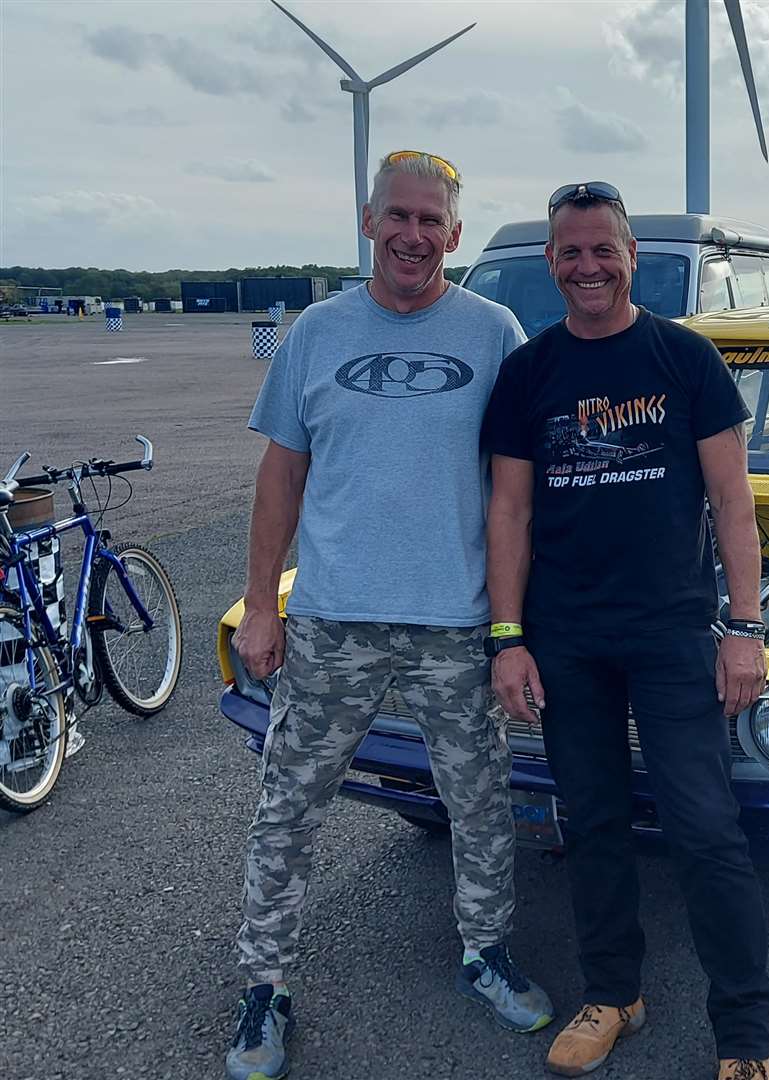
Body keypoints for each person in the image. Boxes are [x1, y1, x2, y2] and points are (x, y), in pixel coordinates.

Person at [226, 150, 549, 1080]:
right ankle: (264, 987)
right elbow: (280, 478)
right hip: (333, 622)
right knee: (288, 808)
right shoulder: (317, 334)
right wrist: (260, 605)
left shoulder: (496, 334)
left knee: (481, 801)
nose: (413, 235)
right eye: (397, 216)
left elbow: (520, 489)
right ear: (369, 223)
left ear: (455, 234)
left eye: (431, 221)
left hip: (456, 622)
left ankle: (485, 951)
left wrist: (515, 627)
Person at [481, 182, 769, 1080]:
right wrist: (507, 637)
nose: (588, 266)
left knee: (705, 828)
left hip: (672, 634)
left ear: (632, 255)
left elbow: (732, 500)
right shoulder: (530, 373)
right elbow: (511, 512)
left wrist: (745, 626)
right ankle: (613, 993)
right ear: (552, 264)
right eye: (570, 252)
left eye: (603, 248)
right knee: (594, 823)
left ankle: (744, 1031)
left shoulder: (685, 360)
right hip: (565, 639)